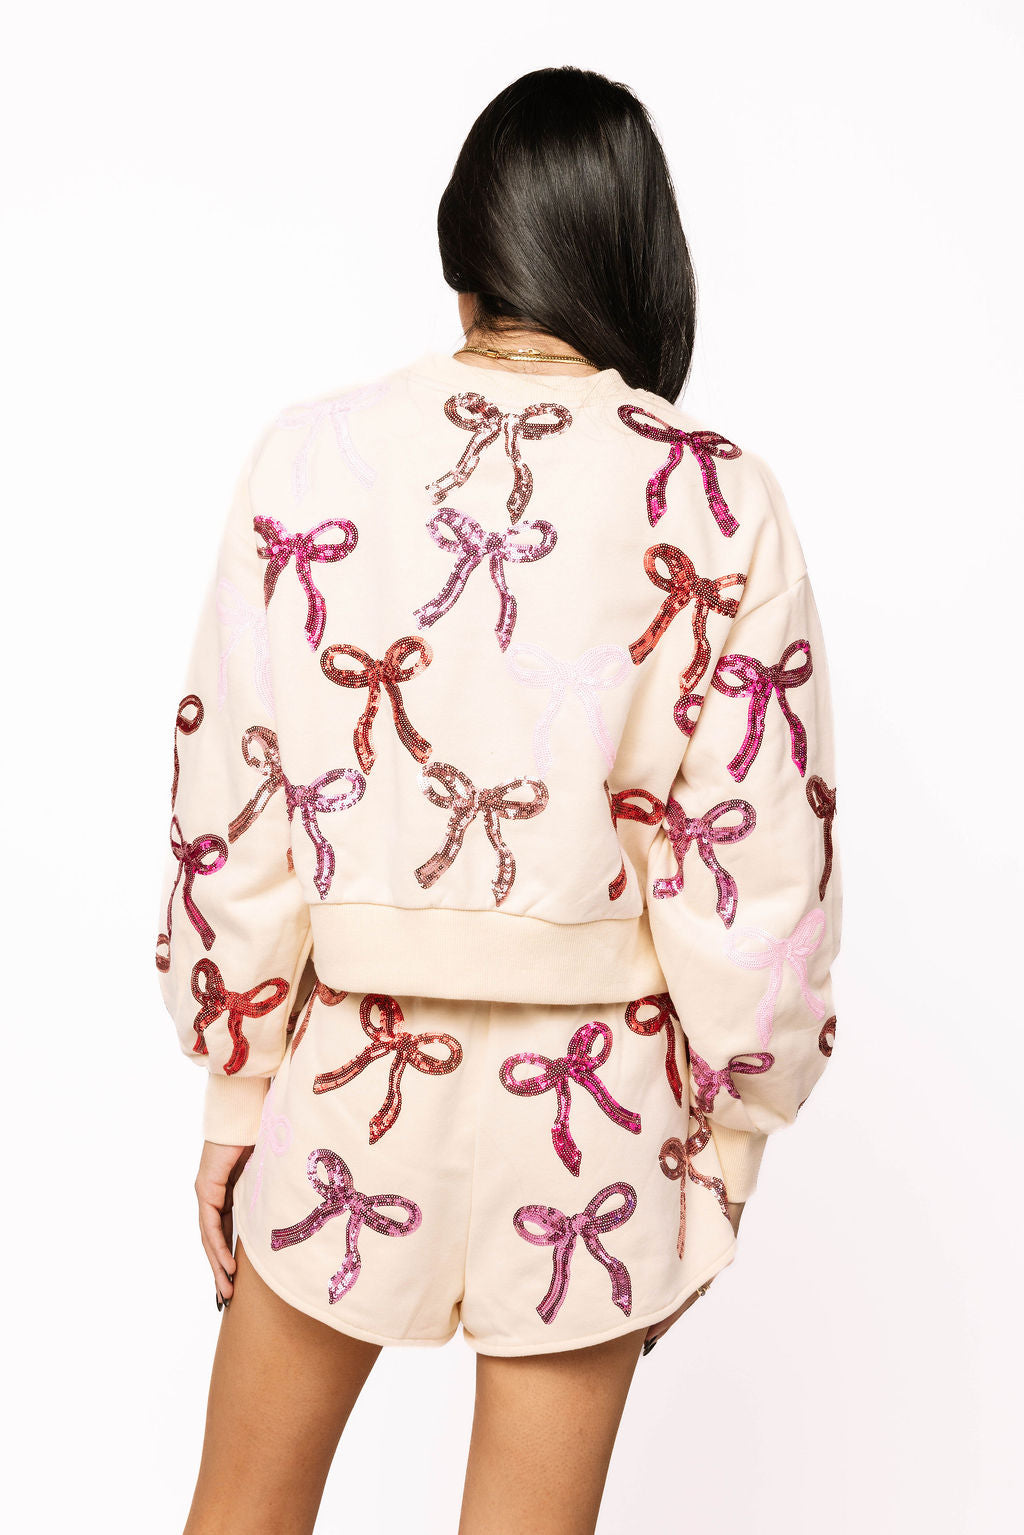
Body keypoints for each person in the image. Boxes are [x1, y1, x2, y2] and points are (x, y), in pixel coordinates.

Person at [155, 64, 842, 1535]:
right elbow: (760, 878)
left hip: (347, 1070)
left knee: (240, 1515)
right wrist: (728, 1145)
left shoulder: (311, 454)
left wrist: (236, 1084)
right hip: (599, 1102)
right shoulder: (718, 497)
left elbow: (237, 799)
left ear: (462, 246)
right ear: (638, 253)